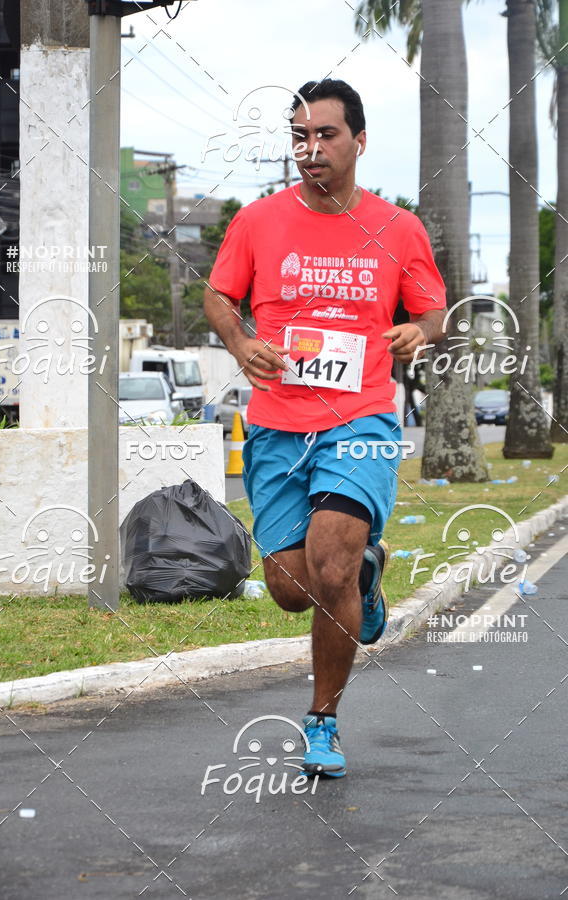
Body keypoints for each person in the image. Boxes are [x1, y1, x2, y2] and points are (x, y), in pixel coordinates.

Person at [204, 78, 447, 778]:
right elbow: (219, 293)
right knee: (289, 585)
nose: (312, 150)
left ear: (359, 141)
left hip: (361, 419)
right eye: (300, 138)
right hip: (278, 423)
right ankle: (369, 578)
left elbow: (432, 310)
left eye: (326, 136)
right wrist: (241, 342)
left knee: (331, 561)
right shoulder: (258, 222)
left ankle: (322, 722)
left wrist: (415, 332)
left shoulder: (398, 228)